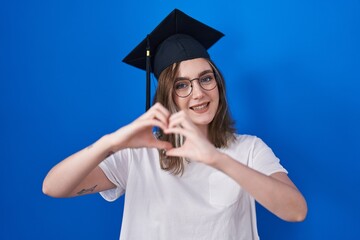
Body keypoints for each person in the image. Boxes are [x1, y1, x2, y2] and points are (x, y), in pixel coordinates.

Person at [43, 9, 307, 240]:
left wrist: (216, 158)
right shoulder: (137, 155)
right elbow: (53, 187)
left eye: (206, 79)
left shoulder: (249, 149)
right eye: (182, 85)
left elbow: (295, 211)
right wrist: (110, 143)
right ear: (167, 96)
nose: (199, 93)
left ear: (218, 84)